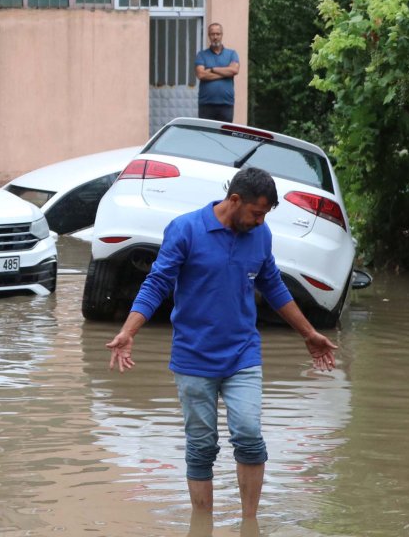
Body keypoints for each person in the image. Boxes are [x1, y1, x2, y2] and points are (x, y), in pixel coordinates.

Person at [105, 167, 337, 520]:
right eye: (257, 213)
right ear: (234, 200)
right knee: (201, 447)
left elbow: (273, 285)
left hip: (242, 353)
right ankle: (202, 524)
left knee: (248, 433)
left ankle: (249, 523)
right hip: (193, 356)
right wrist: (129, 330)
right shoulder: (186, 229)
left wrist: (309, 334)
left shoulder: (260, 236)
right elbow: (157, 283)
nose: (260, 222)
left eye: (265, 215)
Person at [195, 23, 240, 122]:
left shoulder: (232, 54)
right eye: (212, 34)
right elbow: (201, 74)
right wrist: (225, 73)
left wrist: (212, 69)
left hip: (226, 104)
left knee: (224, 136)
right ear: (209, 36)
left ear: (222, 35)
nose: (215, 37)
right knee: (206, 135)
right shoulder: (201, 55)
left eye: (218, 34)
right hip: (206, 104)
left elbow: (234, 70)